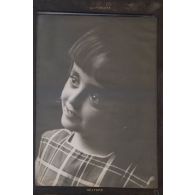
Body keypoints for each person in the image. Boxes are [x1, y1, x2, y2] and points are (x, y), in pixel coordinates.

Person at [35, 23, 156, 187]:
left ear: (123, 111)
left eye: (95, 96)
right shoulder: (49, 142)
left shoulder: (137, 180)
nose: (73, 100)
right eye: (74, 80)